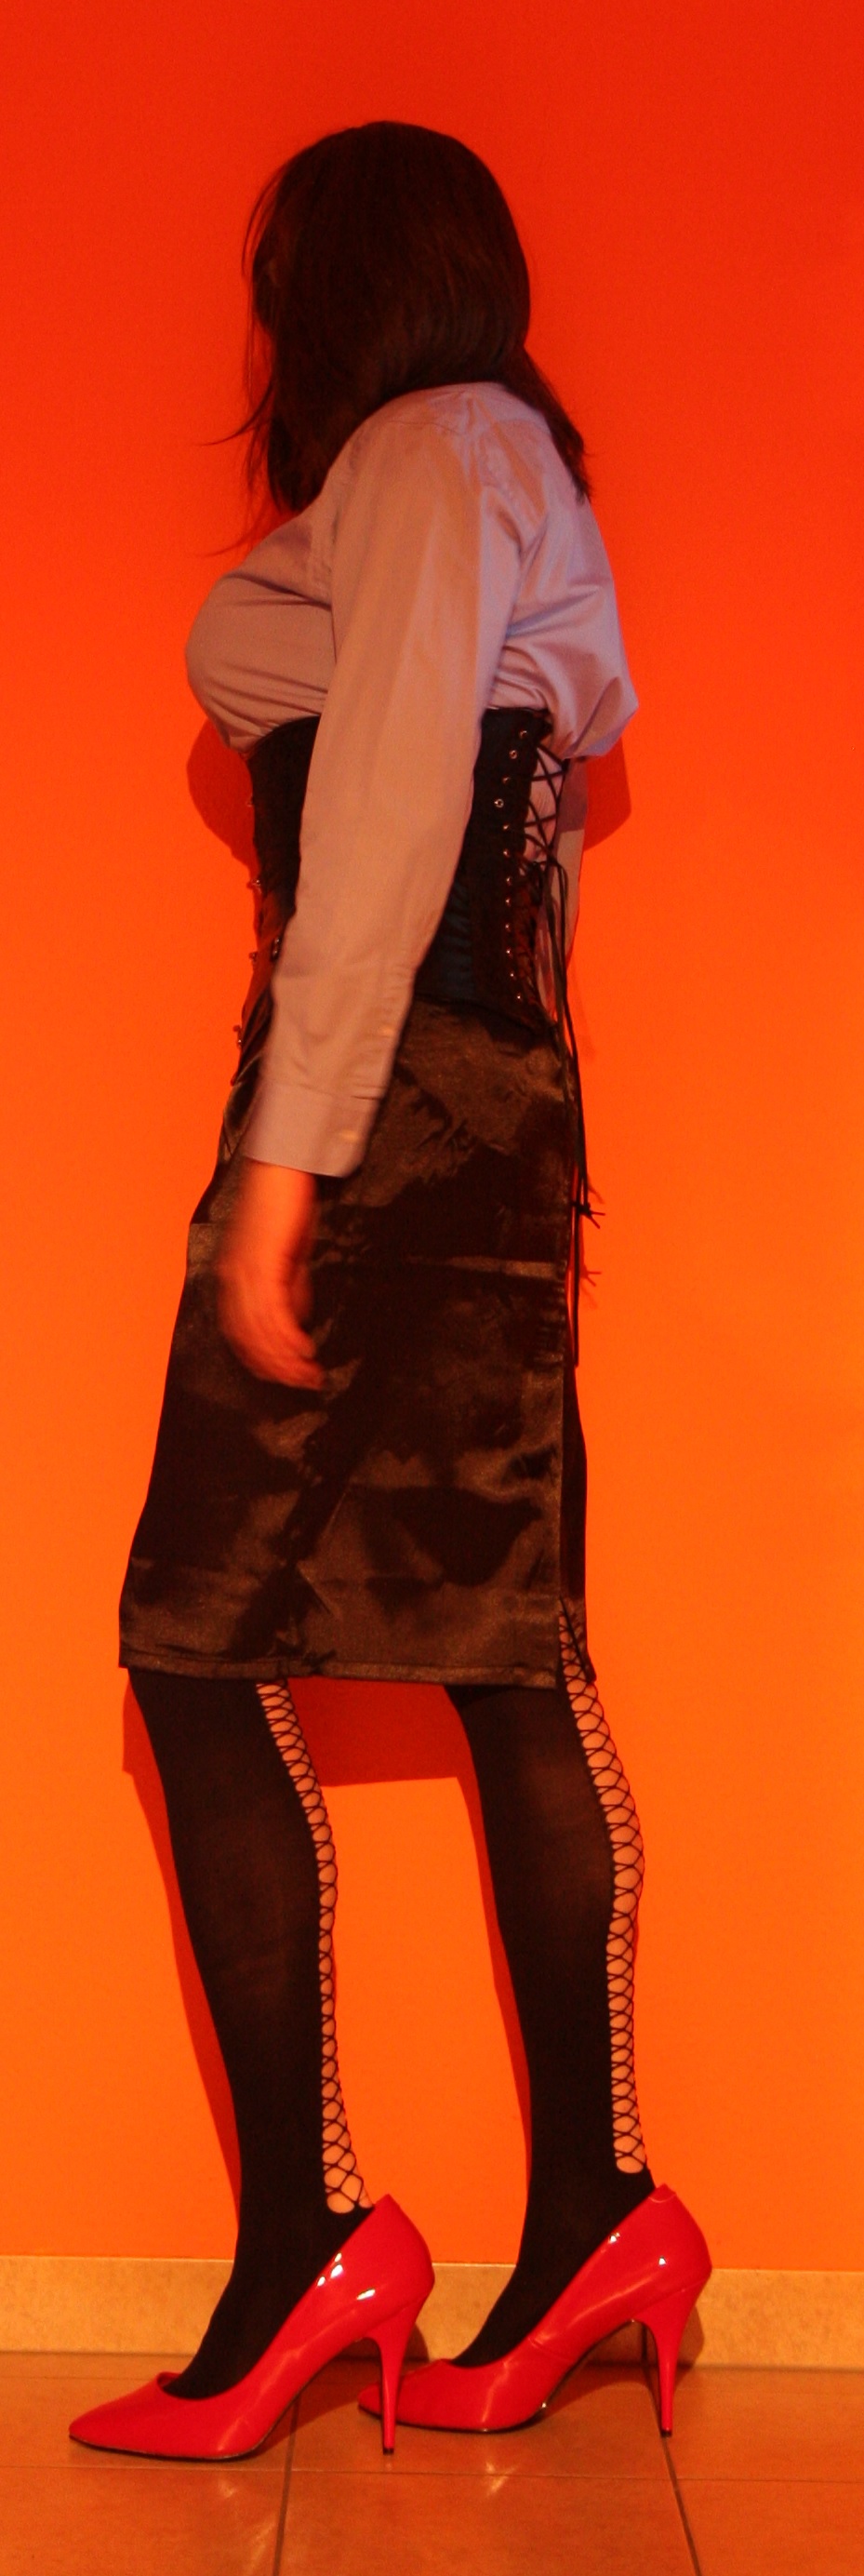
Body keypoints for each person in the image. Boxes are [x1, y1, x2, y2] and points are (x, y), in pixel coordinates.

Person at [70, 120, 709, 2465]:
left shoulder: (438, 448)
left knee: (219, 1637)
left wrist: (288, 1157)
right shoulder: (483, 470)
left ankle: (336, 2249)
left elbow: (397, 812)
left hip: (393, 1100)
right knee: (487, 1640)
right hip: (461, 1091)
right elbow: (510, 839)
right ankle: (581, 2219)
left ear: (342, 282)